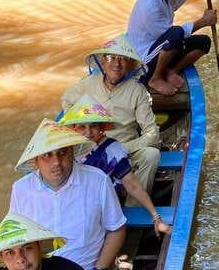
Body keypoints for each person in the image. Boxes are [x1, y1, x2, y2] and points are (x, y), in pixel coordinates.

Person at [8, 117, 127, 270]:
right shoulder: (21, 190)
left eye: (62, 153)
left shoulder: (98, 181)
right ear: (36, 160)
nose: (56, 162)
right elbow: (16, 241)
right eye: (47, 155)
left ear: (72, 152)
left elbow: (117, 229)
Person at [60, 94, 172, 240]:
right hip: (74, 206)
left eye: (94, 126)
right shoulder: (66, 151)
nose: (88, 132)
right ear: (74, 128)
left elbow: (133, 186)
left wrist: (155, 216)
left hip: (103, 207)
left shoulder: (113, 149)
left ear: (101, 127)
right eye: (82, 127)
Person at [62, 34, 161, 194]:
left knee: (151, 155)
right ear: (102, 61)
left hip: (126, 148)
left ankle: (134, 203)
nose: (117, 63)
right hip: (91, 147)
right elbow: (67, 99)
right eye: (111, 57)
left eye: (123, 59)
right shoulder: (87, 83)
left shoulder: (137, 91)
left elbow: (152, 133)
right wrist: (76, 127)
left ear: (129, 64)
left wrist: (123, 148)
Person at [127, 0, 216, 97]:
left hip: (161, 47)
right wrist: (203, 22)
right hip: (143, 61)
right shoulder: (148, 6)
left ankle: (172, 71)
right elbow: (173, 36)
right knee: (176, 33)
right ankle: (156, 78)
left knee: (204, 42)